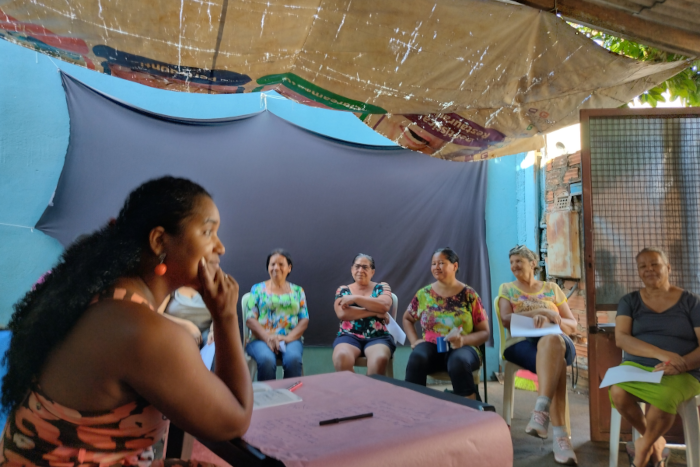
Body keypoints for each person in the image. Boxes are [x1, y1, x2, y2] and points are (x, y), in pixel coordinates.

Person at [1, 176, 253, 467]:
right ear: (159, 240)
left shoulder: (104, 300)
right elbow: (233, 420)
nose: (220, 248)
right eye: (208, 232)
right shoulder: (142, 332)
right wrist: (225, 316)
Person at [610, 247, 700, 467]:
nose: (649, 269)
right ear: (638, 272)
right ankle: (655, 441)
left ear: (668, 268)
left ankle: (642, 449)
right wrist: (664, 354)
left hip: (684, 369)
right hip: (638, 365)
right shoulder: (629, 301)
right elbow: (621, 338)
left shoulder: (691, 302)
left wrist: (682, 363)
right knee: (618, 391)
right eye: (643, 266)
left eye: (655, 264)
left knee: (665, 394)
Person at [498, 245, 578, 465]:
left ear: (533, 263)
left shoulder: (552, 288)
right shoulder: (507, 289)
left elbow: (572, 324)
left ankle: (541, 410)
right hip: (521, 344)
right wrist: (542, 312)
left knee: (553, 341)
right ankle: (561, 439)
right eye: (511, 262)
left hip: (556, 341)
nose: (514, 266)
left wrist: (556, 319)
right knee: (558, 364)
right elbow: (506, 319)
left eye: (519, 261)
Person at [403, 248, 489, 399]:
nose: (436, 267)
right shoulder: (424, 294)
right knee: (417, 357)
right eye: (433, 263)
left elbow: (484, 332)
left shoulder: (469, 294)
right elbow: (407, 318)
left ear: (455, 266)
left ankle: (469, 411)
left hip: (463, 348)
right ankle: (414, 411)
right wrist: (414, 341)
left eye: (441, 263)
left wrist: (463, 340)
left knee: (458, 361)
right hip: (432, 346)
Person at [244, 249, 308, 381]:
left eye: (281, 264)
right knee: (267, 360)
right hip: (260, 339)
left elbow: (304, 320)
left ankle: (291, 397)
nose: (276, 268)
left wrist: (288, 338)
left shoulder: (298, 291)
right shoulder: (257, 289)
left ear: (289, 268)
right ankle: (269, 399)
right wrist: (268, 338)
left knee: (293, 359)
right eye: (272, 264)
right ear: (268, 267)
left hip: (291, 339)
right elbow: (250, 319)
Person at [332, 254, 395, 376]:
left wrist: (355, 298)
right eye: (357, 267)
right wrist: (375, 312)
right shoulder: (343, 290)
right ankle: (354, 392)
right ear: (352, 270)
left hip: (378, 336)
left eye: (365, 267)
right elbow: (342, 313)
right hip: (348, 336)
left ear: (372, 272)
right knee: (341, 357)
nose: (360, 270)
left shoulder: (382, 287)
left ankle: (369, 393)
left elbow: (384, 305)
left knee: (379, 359)